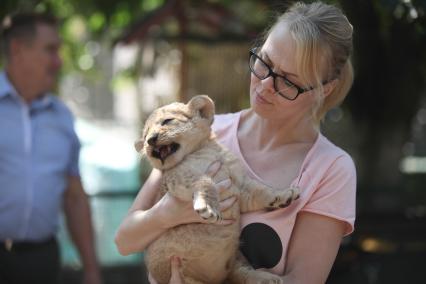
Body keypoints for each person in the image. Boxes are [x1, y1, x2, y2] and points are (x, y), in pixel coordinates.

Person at [115, 1, 356, 283]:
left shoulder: (329, 169)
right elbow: (125, 241)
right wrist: (169, 213)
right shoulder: (202, 131)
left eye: (287, 81)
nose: (265, 84)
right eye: (264, 62)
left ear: (324, 89)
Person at [0, 12, 102, 284]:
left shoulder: (62, 117)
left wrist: (92, 271)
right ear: (18, 50)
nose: (58, 62)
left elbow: (75, 198)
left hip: (42, 261)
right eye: (50, 50)